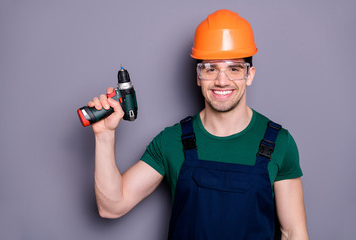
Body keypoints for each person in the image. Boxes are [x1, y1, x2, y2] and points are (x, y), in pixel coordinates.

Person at [87, 9, 309, 240]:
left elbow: (294, 233)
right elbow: (112, 206)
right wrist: (104, 135)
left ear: (249, 75)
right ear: (198, 75)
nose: (222, 80)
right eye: (210, 68)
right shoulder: (171, 141)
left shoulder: (279, 142)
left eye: (234, 68)